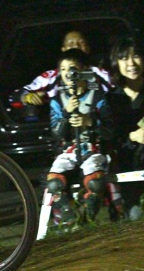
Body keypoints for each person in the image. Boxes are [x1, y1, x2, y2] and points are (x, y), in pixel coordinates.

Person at [45, 49, 114, 223]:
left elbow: (109, 130)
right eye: (63, 69)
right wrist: (66, 113)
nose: (68, 74)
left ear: (83, 70)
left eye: (73, 68)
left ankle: (88, 217)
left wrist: (89, 121)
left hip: (92, 149)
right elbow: (56, 133)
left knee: (96, 183)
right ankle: (69, 216)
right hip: (67, 151)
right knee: (54, 183)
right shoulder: (57, 100)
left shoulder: (97, 95)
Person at [104, 37, 144, 218]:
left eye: (136, 56)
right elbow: (110, 137)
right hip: (127, 165)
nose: (131, 63)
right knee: (136, 215)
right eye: (124, 58)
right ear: (116, 63)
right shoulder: (112, 99)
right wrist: (133, 137)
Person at [19, 30, 112, 106]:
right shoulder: (51, 77)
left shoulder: (100, 74)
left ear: (87, 48)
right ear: (63, 50)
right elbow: (15, 97)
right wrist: (27, 97)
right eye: (71, 43)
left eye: (81, 42)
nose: (76, 46)